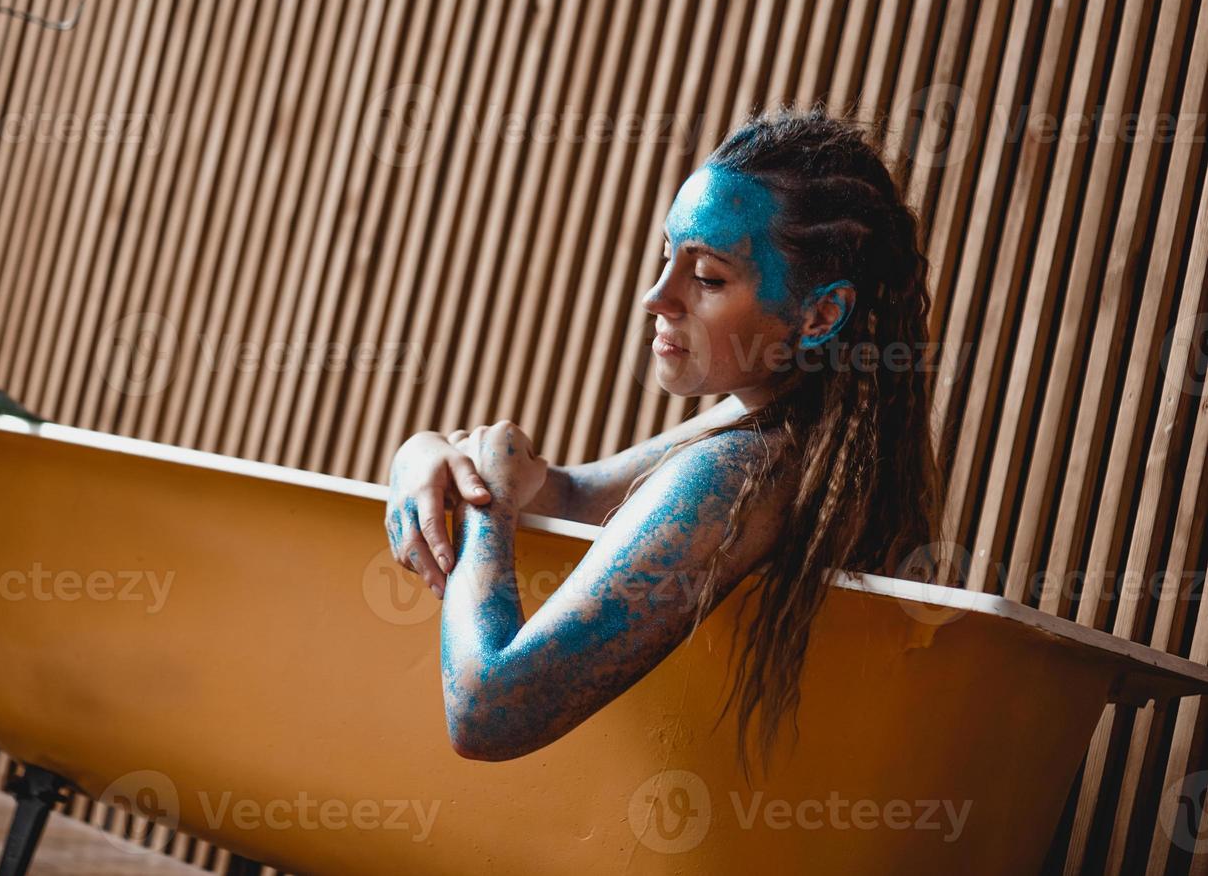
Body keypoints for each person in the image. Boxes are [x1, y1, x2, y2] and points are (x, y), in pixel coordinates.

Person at [384, 103, 942, 782]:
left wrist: (485, 509)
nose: (657, 295)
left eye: (706, 277)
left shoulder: (741, 470)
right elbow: (571, 494)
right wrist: (423, 452)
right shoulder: (792, 437)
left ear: (820, 313)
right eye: (666, 256)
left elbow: (488, 708)